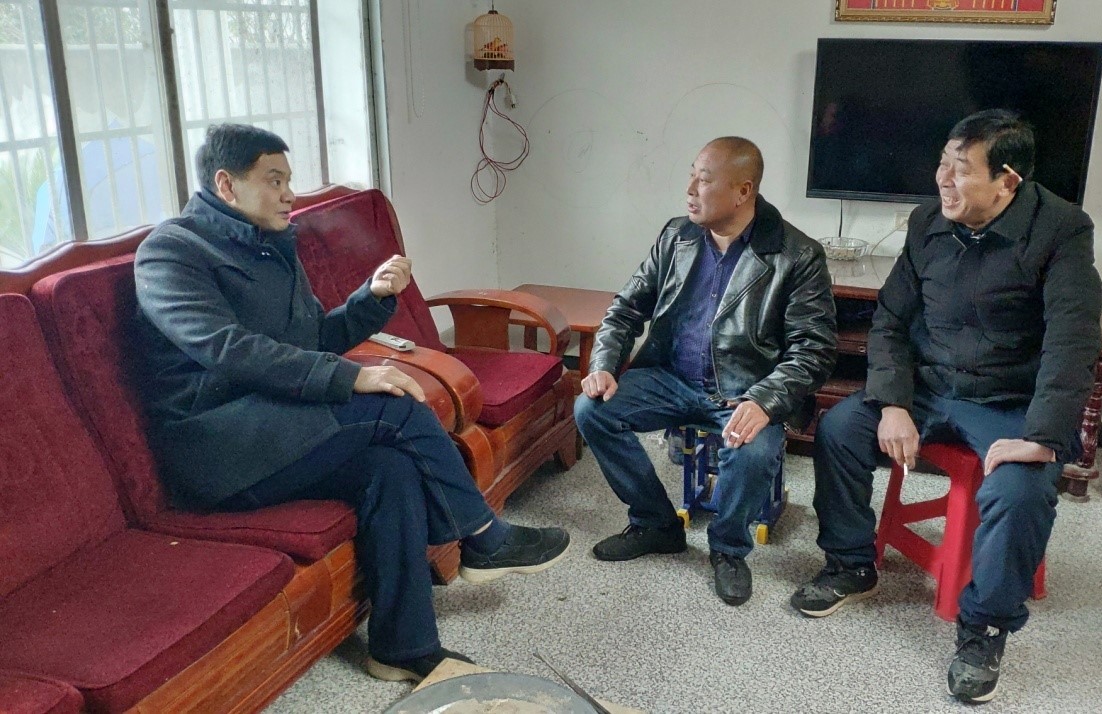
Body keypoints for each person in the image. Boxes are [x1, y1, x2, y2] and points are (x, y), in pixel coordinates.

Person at [133, 124, 570, 683]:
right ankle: (483, 536)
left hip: (279, 427)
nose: (289, 194)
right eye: (274, 180)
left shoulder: (272, 244)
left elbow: (314, 338)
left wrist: (372, 298)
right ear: (226, 184)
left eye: (289, 180)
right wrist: (351, 378)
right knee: (394, 404)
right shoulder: (170, 253)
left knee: (389, 469)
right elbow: (226, 348)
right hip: (221, 447)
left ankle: (403, 647)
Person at [790, 109, 1102, 703]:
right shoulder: (928, 221)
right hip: (929, 387)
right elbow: (890, 318)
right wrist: (892, 402)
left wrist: (1043, 437)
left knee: (1021, 490)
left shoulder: (1062, 230)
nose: (943, 180)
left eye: (961, 170)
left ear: (1007, 181)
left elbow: (1073, 341)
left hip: (1008, 400)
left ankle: (984, 626)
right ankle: (851, 563)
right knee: (840, 428)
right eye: (942, 163)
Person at [575, 136, 837, 607]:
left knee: (754, 450)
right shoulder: (676, 237)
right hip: (670, 378)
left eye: (705, 179)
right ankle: (656, 524)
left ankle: (728, 549)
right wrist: (604, 365)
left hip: (745, 391)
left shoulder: (797, 255)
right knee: (591, 409)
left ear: (743, 191)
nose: (691, 189)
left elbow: (813, 350)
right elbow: (625, 308)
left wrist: (764, 401)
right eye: (692, 175)